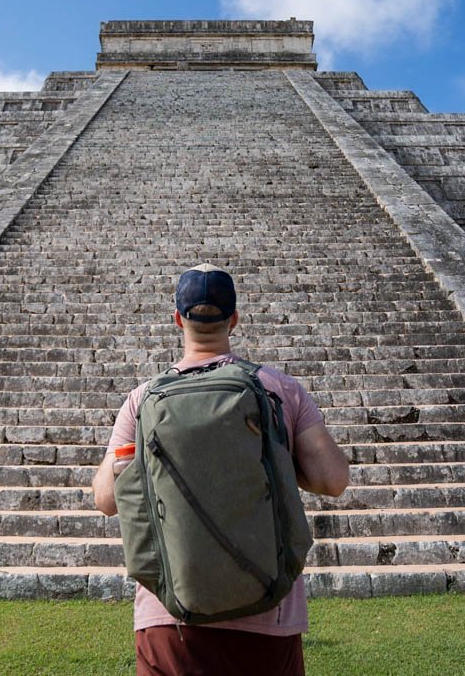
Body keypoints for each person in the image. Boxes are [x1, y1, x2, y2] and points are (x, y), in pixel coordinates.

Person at [93, 263, 350, 676]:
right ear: (234, 318)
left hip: (170, 616)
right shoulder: (278, 389)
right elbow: (332, 480)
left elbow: (106, 499)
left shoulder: (141, 401)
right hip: (268, 612)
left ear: (178, 318)